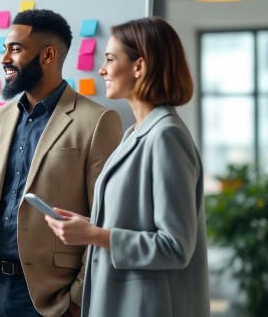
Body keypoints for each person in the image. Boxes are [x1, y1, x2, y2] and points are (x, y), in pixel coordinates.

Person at [0, 9, 123, 317]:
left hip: (51, 298)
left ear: (49, 54)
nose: (4, 58)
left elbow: (104, 217)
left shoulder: (96, 121)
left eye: (15, 49)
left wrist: (78, 299)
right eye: (4, 49)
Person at [44, 16, 210, 317]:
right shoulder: (134, 133)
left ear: (139, 66)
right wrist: (88, 226)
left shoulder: (166, 136)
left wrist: (93, 235)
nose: (101, 69)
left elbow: (175, 246)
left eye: (109, 59)